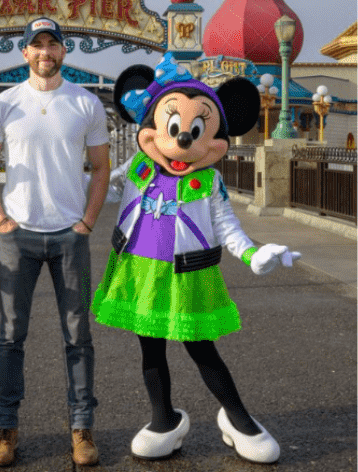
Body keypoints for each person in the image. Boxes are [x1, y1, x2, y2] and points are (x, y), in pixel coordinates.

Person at [93, 54, 298, 464]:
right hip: (139, 272)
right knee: (150, 351)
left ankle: (239, 420)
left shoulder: (209, 181)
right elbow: (99, 191)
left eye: (195, 129)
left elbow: (227, 228)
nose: (183, 139)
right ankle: (163, 420)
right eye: (173, 127)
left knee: (201, 349)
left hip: (187, 276)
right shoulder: (138, 169)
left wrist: (254, 254)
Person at [0, 17, 110, 467]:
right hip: (20, 234)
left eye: (53, 44)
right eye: (37, 45)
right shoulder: (2, 104)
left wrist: (88, 221)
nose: (45, 52)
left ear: (63, 53)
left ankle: (81, 429)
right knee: (10, 337)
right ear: (25, 53)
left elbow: (102, 168)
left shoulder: (86, 103)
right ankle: (6, 430)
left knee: (78, 336)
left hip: (69, 234)